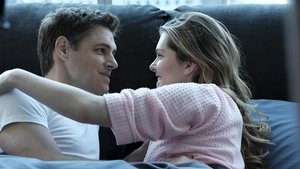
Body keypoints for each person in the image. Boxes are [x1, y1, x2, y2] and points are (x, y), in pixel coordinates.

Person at [0, 12, 270, 169]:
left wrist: (15, 75)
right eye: (100, 50)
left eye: (160, 56)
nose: (152, 67)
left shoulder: (197, 95)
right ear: (62, 49)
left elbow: (87, 110)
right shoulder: (207, 106)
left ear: (190, 64)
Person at [0, 7, 119, 160]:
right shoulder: (17, 95)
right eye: (101, 50)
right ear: (63, 49)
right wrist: (15, 77)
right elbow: (53, 166)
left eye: (113, 53)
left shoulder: (93, 113)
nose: (114, 63)